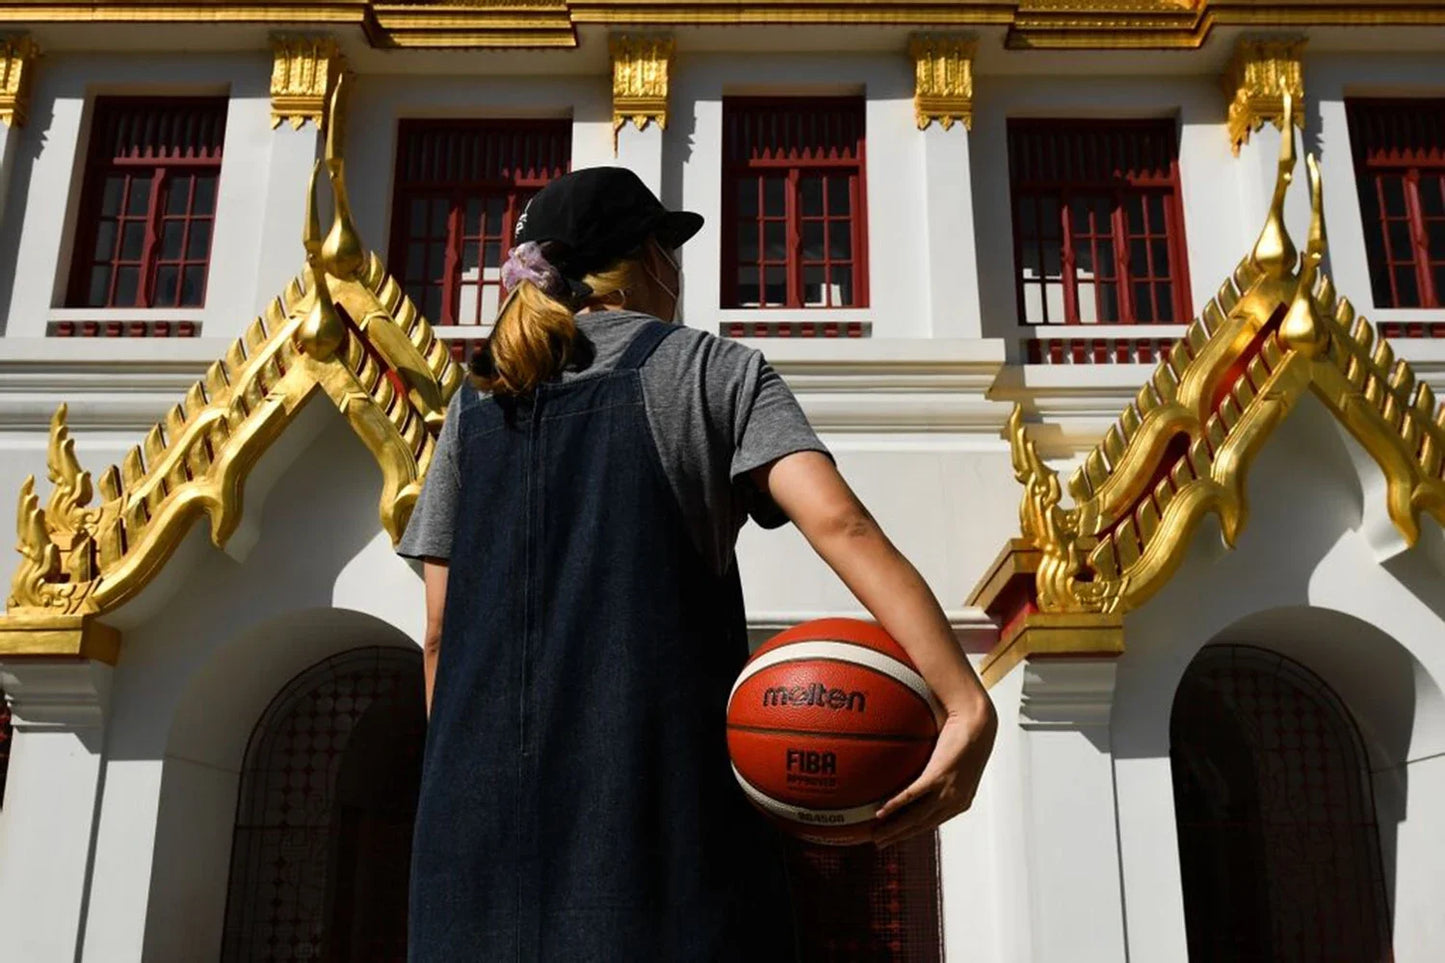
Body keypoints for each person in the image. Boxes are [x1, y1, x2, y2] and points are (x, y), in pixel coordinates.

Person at [397, 166, 996, 962]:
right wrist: (963, 703)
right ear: (650, 258)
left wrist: (469, 791)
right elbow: (840, 524)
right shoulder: (711, 370)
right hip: (653, 825)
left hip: (468, 848)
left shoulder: (472, 406)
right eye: (670, 251)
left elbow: (439, 631)